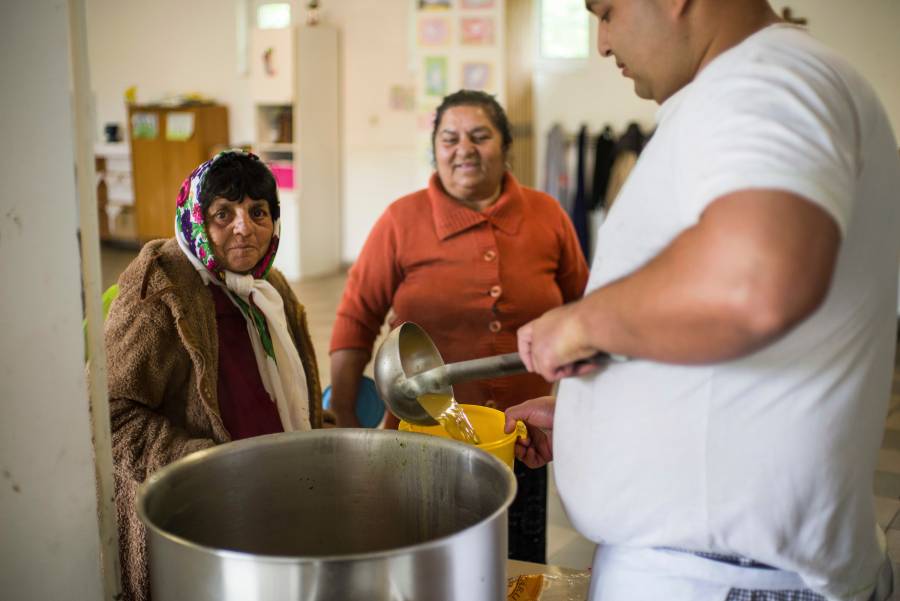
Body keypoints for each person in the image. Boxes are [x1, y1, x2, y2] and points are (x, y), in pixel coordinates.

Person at [507, 1, 900, 600]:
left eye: (606, 11)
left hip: (726, 579)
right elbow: (721, 328)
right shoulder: (748, 89)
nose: (602, 43)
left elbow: (755, 283)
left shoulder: (768, 80)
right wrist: (598, 420)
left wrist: (580, 323)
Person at [329, 89, 589, 562]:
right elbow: (355, 318)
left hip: (522, 441)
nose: (463, 149)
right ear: (435, 149)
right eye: (449, 138)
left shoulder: (547, 215)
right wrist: (344, 415)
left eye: (479, 136)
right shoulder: (401, 220)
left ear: (506, 147)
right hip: (422, 443)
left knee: (514, 566)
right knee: (426, 565)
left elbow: (585, 309)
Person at [106, 151, 324, 601]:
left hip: (272, 500)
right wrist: (205, 466)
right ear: (197, 219)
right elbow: (106, 411)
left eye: (258, 212)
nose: (244, 228)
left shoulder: (270, 289)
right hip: (195, 522)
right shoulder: (160, 289)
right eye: (223, 214)